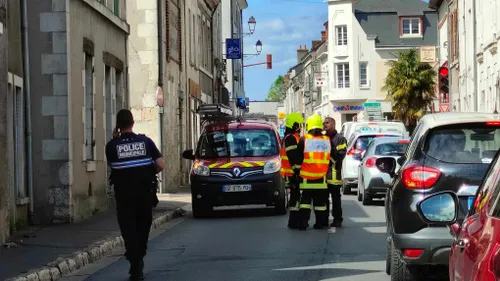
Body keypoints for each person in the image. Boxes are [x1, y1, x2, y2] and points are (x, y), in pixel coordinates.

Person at [106, 109, 165, 281]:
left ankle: (135, 261)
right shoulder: (146, 141)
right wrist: (147, 171)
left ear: (118, 125)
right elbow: (160, 164)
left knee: (128, 229)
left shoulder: (111, 146)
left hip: (124, 196)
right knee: (143, 227)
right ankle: (139, 257)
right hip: (145, 193)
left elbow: (114, 165)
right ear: (133, 123)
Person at [296, 114, 331, 230]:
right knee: (320, 204)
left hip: (306, 178)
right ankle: (320, 224)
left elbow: (298, 159)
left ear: (309, 125)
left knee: (305, 202)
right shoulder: (327, 140)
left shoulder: (304, 139)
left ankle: (303, 223)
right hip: (322, 178)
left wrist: (296, 172)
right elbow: (333, 158)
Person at [280, 112, 304, 229]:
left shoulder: (290, 137)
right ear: (295, 125)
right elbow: (292, 156)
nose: (301, 126)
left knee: (295, 198)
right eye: (299, 124)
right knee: (295, 198)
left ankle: (295, 221)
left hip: (291, 172)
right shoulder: (291, 138)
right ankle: (294, 222)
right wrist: (297, 172)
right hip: (292, 173)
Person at [323, 117, 347, 227]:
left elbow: (340, 155)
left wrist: (330, 153)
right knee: (324, 200)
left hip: (334, 174)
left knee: (336, 199)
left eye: (327, 123)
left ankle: (337, 219)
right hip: (322, 175)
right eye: (324, 123)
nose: (325, 125)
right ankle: (323, 219)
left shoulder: (340, 139)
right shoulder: (322, 138)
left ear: (333, 124)